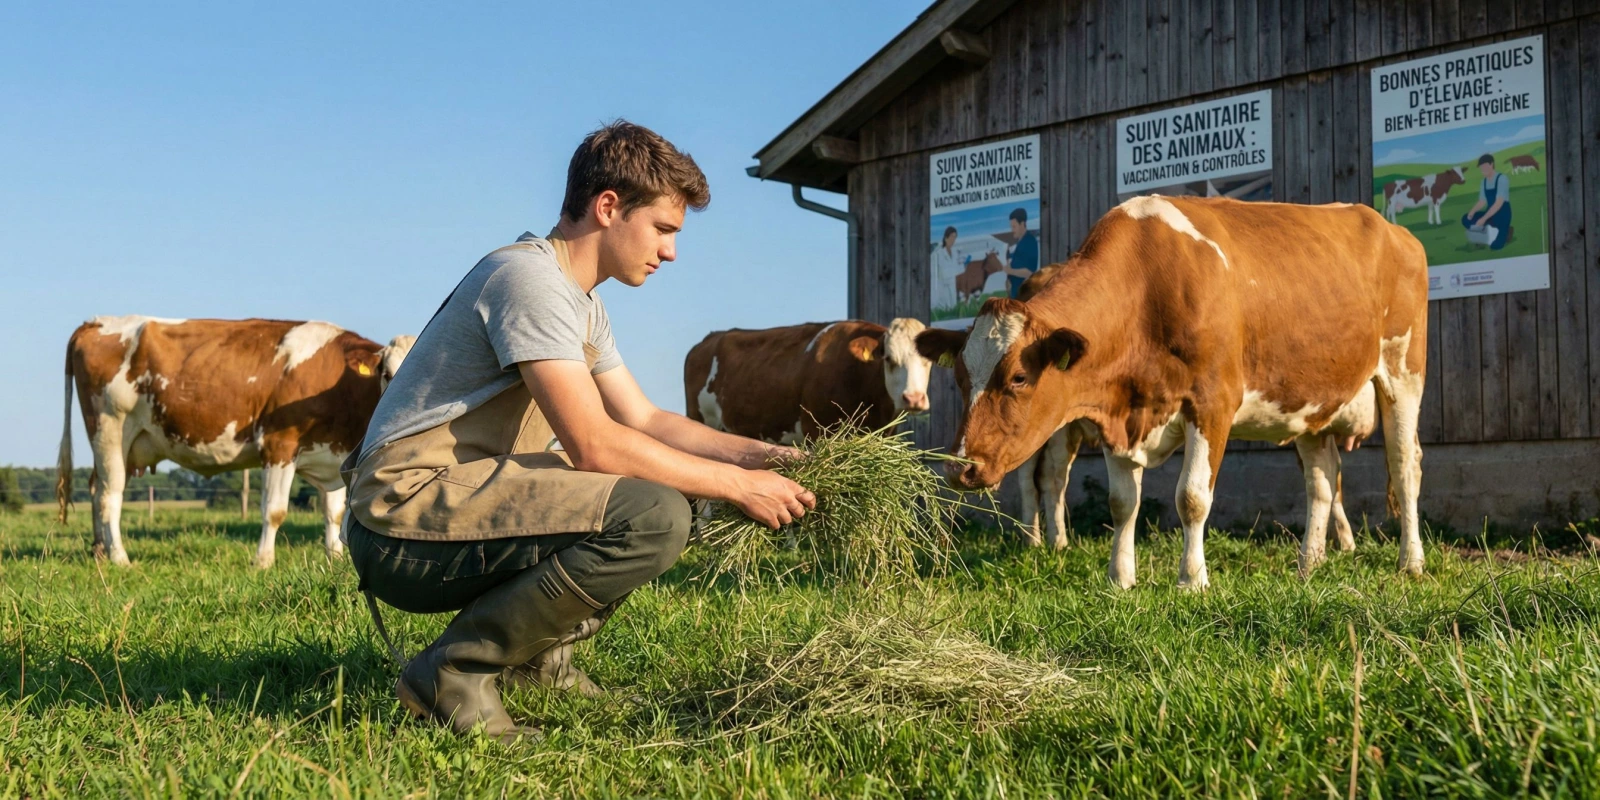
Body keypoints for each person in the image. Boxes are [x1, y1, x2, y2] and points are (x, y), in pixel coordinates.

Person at [340, 120, 816, 742]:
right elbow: (594, 443)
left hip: (459, 501)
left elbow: (644, 419)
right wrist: (734, 485)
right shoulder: (528, 281)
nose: (671, 252)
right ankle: (453, 672)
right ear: (609, 207)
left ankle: (536, 661)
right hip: (401, 516)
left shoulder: (582, 301)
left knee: (676, 494)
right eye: (664, 230)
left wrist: (764, 457)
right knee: (653, 514)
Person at [1461, 153, 1513, 251]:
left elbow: (1498, 203)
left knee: (1495, 246)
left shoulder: (1502, 179)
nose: (1482, 170)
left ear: (1491, 164)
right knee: (1465, 219)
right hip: (1490, 214)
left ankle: (1506, 231)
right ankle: (1485, 233)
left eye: (1484, 167)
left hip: (1502, 215)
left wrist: (1483, 219)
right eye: (1481, 167)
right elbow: (1482, 201)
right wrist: (1471, 213)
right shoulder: (1483, 182)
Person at [1002, 207, 1039, 298]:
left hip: (1024, 297)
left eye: (1014, 227)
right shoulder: (1020, 242)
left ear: (1022, 224)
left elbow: (1029, 272)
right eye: (1011, 227)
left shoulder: (1029, 241)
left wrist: (1011, 271)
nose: (1012, 230)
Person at [930, 225, 961, 313]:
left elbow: (957, 268)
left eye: (955, 237)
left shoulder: (955, 253)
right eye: (951, 237)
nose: (953, 240)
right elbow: (934, 273)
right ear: (946, 237)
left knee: (953, 309)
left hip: (952, 286)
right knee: (944, 310)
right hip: (942, 288)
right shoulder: (937, 254)